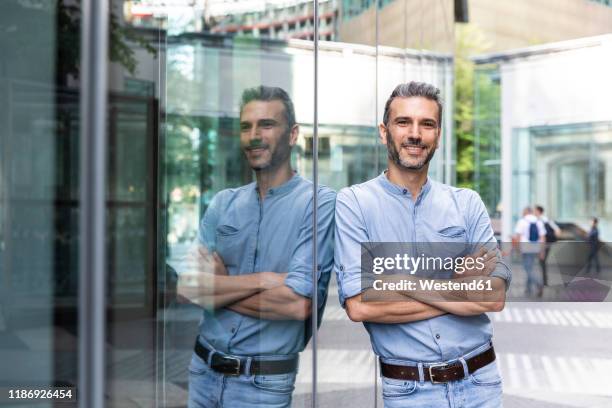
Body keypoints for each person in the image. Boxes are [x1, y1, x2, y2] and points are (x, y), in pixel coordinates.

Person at [334, 82, 511, 407]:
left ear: (438, 135)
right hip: (409, 393)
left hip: (481, 384)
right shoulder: (355, 203)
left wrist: (401, 283)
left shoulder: (467, 203)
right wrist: (454, 288)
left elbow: (494, 296)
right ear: (384, 132)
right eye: (404, 122)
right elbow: (360, 306)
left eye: (426, 124)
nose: (415, 134)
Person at [177, 86, 335, 408]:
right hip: (202, 372)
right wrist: (266, 280)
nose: (254, 136)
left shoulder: (318, 203)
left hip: (262, 385)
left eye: (266, 124)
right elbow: (187, 287)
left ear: (292, 135)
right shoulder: (224, 203)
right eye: (246, 127)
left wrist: (217, 289)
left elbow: (297, 305)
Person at [513, 207, 546, 297]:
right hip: (536, 248)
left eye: (523, 212)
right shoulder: (538, 221)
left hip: (526, 247)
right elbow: (542, 237)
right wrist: (542, 251)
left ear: (526, 212)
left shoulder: (522, 221)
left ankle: (539, 284)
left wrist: (517, 248)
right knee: (530, 267)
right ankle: (528, 289)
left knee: (527, 269)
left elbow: (518, 236)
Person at [534, 205, 560, 286]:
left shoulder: (541, 220)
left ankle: (543, 281)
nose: (534, 212)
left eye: (535, 211)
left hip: (543, 244)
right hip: (547, 244)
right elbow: (557, 230)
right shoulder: (546, 219)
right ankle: (544, 280)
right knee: (542, 262)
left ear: (538, 211)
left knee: (541, 261)